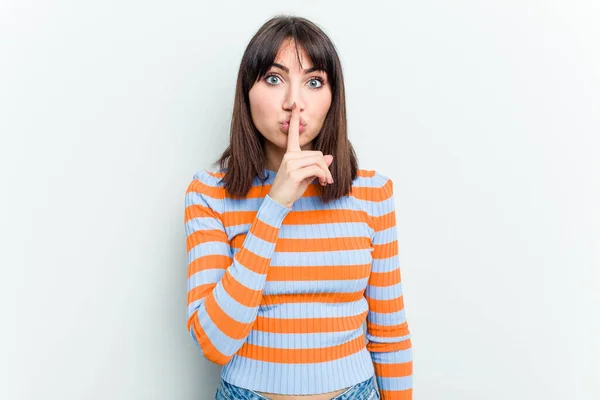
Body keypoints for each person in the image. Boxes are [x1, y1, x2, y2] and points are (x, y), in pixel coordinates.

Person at [184, 15, 413, 400]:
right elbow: (215, 342)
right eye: (274, 79)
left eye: (313, 81)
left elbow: (389, 334)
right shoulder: (209, 193)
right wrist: (274, 205)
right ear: (247, 92)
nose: (294, 102)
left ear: (332, 97)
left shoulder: (372, 192)